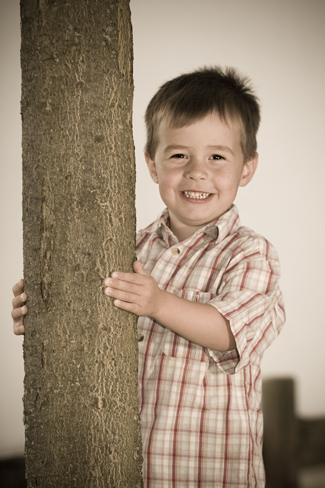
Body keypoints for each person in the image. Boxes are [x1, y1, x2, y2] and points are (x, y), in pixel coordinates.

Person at [12, 66, 285, 487]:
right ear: (152, 164)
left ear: (246, 168)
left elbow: (228, 332)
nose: (197, 171)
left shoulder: (250, 253)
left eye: (217, 156)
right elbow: (87, 330)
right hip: (127, 468)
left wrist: (158, 303)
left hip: (208, 473)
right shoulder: (127, 248)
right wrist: (42, 313)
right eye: (178, 155)